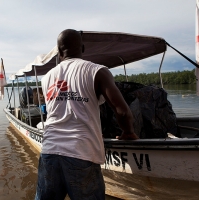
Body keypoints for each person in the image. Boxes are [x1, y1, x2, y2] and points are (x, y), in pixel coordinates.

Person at [35, 29, 138, 200]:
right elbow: (122, 111)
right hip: (81, 152)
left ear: (59, 52)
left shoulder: (46, 78)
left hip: (49, 151)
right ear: (83, 48)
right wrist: (128, 133)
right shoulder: (97, 71)